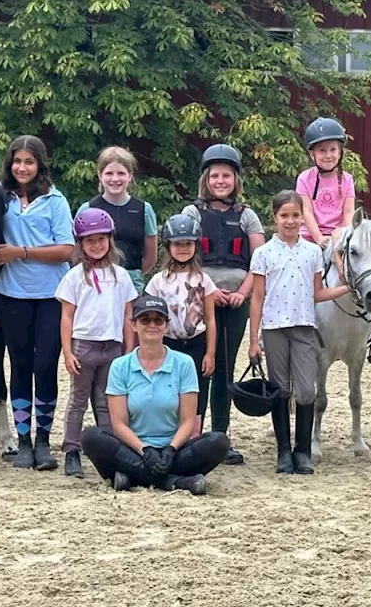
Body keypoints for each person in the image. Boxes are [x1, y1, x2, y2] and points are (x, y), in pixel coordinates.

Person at [0, 135, 75, 470]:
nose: (22, 168)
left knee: (45, 367)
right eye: (17, 161)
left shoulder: (55, 201)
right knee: (19, 366)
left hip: (51, 295)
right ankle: (23, 440)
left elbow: (67, 250)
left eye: (29, 161)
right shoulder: (0, 197)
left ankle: (43, 441)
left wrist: (20, 252)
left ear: (40, 164)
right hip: (12, 294)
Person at [80, 295, 232, 495]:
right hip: (134, 450)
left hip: (174, 450)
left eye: (158, 320)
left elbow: (188, 421)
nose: (152, 325)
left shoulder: (184, 363)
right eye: (145, 319)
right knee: (90, 436)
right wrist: (144, 450)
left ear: (166, 326)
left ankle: (134, 478)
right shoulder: (120, 366)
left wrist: (171, 449)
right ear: (133, 325)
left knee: (219, 442)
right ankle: (173, 481)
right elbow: (119, 424)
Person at [249, 190, 351, 474]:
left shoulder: (312, 252)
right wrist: (253, 340)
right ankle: (284, 451)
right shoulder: (263, 254)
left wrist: (346, 288)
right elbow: (257, 298)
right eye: (285, 216)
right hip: (274, 329)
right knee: (281, 389)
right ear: (275, 218)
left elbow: (318, 292)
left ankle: (302, 450)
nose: (290, 221)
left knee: (307, 389)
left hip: (305, 327)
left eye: (296, 215)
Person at [180, 144, 265, 465]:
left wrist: (243, 292)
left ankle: (220, 437)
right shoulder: (192, 213)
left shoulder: (247, 216)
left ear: (235, 179)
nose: (220, 180)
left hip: (236, 300)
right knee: (200, 367)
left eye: (226, 175)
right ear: (206, 178)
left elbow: (259, 261)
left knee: (225, 371)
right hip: (200, 298)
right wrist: (209, 290)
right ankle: (193, 434)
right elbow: (183, 255)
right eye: (215, 175)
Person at [297, 117, 371, 355]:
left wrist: (345, 237)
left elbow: (348, 212)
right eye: (322, 150)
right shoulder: (305, 178)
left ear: (340, 151)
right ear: (312, 154)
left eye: (333, 150)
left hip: (340, 234)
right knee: (299, 270)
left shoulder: (346, 179)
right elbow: (306, 210)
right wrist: (318, 237)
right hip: (311, 236)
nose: (328, 155)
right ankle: (299, 321)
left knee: (370, 264)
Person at [57, 208, 137, 478]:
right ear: (80, 244)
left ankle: (109, 452)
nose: (96, 245)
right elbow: (67, 316)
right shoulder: (74, 276)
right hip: (84, 345)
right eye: (90, 241)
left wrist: (129, 349)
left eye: (101, 239)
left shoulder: (121, 276)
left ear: (110, 240)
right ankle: (71, 450)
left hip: (112, 347)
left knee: (106, 402)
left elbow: (128, 316)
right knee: (78, 399)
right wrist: (67, 351)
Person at [145, 214, 217, 438]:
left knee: (196, 392)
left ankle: (193, 437)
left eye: (188, 244)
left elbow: (210, 319)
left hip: (196, 343)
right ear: (169, 246)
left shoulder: (203, 279)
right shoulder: (158, 280)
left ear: (195, 245)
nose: (183, 249)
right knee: (167, 390)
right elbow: (148, 316)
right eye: (178, 244)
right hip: (168, 343)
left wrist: (210, 353)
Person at [82, 146, 158, 293]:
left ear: (130, 176)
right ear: (100, 175)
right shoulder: (88, 209)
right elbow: (78, 252)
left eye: (121, 173)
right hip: (96, 283)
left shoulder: (144, 209)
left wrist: (133, 274)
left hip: (132, 284)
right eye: (109, 173)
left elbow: (151, 257)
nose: (115, 179)